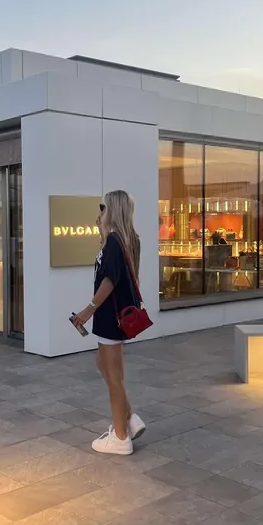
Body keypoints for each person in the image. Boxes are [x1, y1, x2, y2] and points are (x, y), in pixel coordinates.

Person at [72, 190, 145, 456]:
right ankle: (130, 418)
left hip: (109, 317)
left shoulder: (115, 241)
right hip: (116, 316)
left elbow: (109, 280)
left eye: (104, 207)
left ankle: (121, 437)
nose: (101, 212)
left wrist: (88, 310)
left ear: (113, 209)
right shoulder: (126, 239)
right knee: (104, 365)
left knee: (113, 376)